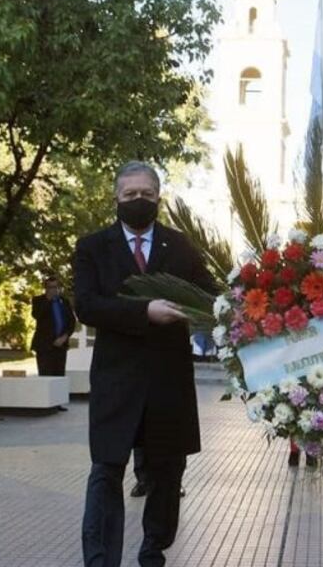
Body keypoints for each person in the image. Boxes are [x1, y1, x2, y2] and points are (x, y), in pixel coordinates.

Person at [75, 161, 215, 567]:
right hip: (116, 382)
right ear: (117, 198)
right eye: (130, 195)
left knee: (169, 473)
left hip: (168, 384)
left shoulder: (182, 246)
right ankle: (101, 561)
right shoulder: (92, 247)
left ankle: (154, 551)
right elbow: (87, 305)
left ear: (158, 198)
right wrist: (143, 313)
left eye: (147, 195)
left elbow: (207, 294)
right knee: (106, 473)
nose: (139, 201)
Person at [30, 275, 77, 399]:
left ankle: (58, 402)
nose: (54, 290)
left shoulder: (64, 301)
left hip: (61, 344)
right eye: (51, 287)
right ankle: (45, 401)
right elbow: (37, 316)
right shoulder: (38, 300)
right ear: (45, 288)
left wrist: (65, 337)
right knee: (46, 375)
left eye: (56, 287)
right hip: (44, 346)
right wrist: (48, 300)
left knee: (59, 375)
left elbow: (71, 322)